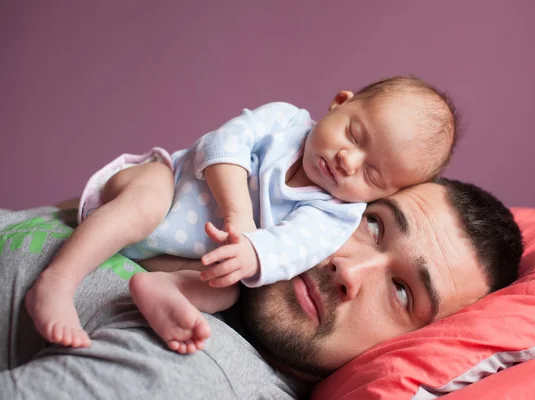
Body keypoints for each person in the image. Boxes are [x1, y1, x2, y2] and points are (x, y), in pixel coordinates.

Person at [25, 76, 460, 353]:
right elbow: (222, 145)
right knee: (147, 202)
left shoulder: (335, 215)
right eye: (354, 134)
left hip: (174, 252)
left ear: (386, 192)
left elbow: (291, 248)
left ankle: (161, 289)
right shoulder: (285, 122)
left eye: (371, 172)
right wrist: (239, 215)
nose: (348, 160)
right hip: (162, 185)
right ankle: (57, 281)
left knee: (227, 289)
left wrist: (252, 254)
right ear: (339, 102)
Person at [0, 178, 523, 398]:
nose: (349, 271)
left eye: (404, 293)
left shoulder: (195, 375)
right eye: (373, 224)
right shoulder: (208, 241)